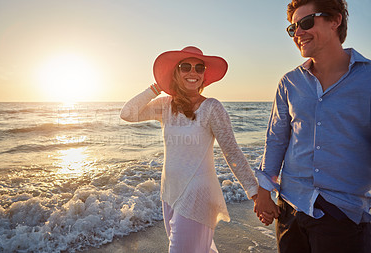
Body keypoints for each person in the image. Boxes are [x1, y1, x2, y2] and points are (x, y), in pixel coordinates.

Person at [253, 0, 371, 252]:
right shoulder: (289, 82)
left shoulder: (368, 80)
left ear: (335, 21)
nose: (297, 33)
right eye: (292, 28)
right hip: (291, 208)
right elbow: (277, 139)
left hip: (344, 212)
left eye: (306, 23)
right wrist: (264, 190)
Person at [120, 46, 258, 253]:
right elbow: (128, 113)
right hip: (169, 192)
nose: (193, 72)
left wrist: (254, 191)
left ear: (204, 75)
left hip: (197, 194)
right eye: (186, 67)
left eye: (199, 68)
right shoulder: (165, 105)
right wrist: (157, 87)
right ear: (176, 72)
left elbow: (231, 151)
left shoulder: (212, 107)